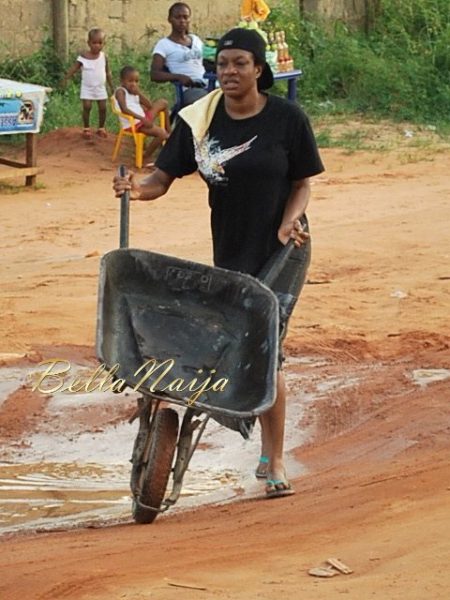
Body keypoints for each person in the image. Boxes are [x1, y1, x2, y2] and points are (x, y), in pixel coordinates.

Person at [114, 28, 324, 499]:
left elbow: (303, 183)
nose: (228, 72)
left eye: (239, 64)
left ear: (259, 69)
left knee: (267, 352)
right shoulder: (201, 120)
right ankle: (236, 410)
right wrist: (136, 190)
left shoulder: (287, 119)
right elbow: (162, 177)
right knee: (234, 343)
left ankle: (274, 456)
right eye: (222, 64)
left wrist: (289, 223)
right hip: (231, 248)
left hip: (283, 247)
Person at [150, 2, 209, 107]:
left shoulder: (196, 40)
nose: (182, 21)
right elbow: (155, 74)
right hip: (189, 89)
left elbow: (205, 62)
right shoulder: (164, 45)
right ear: (170, 19)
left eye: (185, 17)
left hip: (208, 84)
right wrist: (178, 77)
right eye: (178, 17)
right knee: (207, 102)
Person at [61, 28, 114, 139]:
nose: (97, 46)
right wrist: (66, 78)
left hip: (100, 87)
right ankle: (86, 128)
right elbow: (74, 68)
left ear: (104, 44)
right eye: (94, 43)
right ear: (89, 43)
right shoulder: (83, 57)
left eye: (100, 43)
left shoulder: (104, 57)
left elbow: (108, 72)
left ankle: (101, 128)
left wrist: (111, 86)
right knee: (87, 106)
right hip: (87, 87)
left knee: (103, 108)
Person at [114, 66, 170, 164]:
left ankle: (170, 134)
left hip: (142, 119)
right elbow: (124, 109)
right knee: (162, 134)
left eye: (136, 81)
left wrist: (139, 93)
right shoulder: (121, 91)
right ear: (122, 81)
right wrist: (142, 119)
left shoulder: (134, 92)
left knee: (163, 103)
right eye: (130, 81)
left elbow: (149, 105)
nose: (134, 84)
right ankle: (145, 156)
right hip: (134, 124)